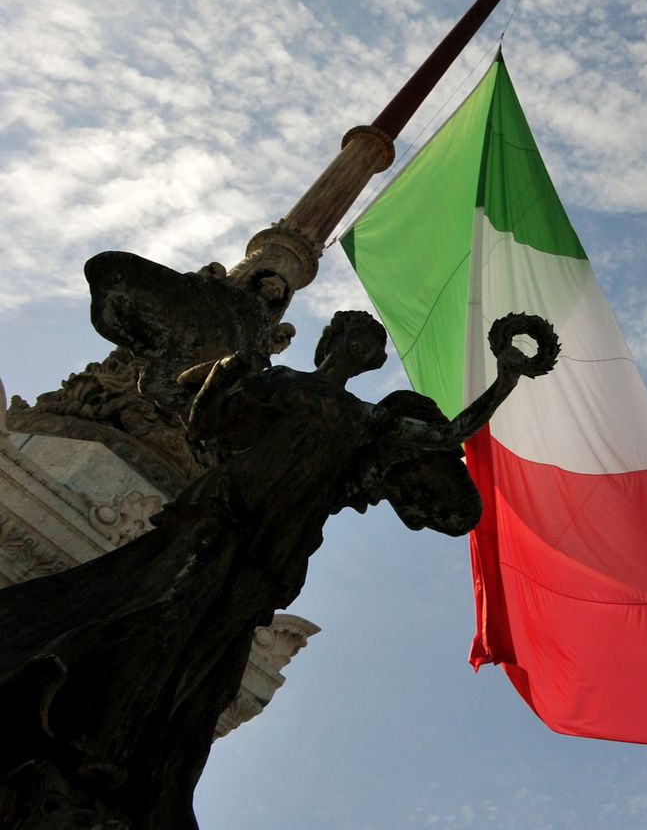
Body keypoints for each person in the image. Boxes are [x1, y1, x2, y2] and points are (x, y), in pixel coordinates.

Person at [0, 309, 558, 830]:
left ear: (370, 362)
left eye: (370, 345)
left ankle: (136, 759)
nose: (361, 348)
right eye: (353, 338)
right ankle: (88, 730)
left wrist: (505, 378)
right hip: (222, 514)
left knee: (211, 651)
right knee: (166, 610)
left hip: (278, 545)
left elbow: (444, 437)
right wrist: (223, 377)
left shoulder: (369, 419)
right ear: (330, 345)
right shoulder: (280, 383)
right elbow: (206, 426)